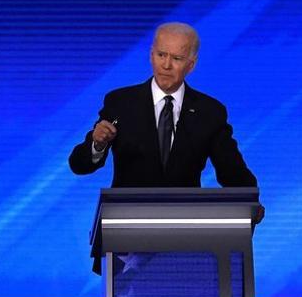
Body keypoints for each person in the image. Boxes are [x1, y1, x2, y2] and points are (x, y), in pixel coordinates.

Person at [68, 22, 258, 190]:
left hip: (185, 222)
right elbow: (79, 165)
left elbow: (232, 171)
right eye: (161, 55)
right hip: (127, 220)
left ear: (191, 65)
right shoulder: (120, 102)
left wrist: (250, 201)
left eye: (176, 58)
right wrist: (97, 145)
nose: (166, 65)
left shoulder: (210, 112)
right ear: (151, 56)